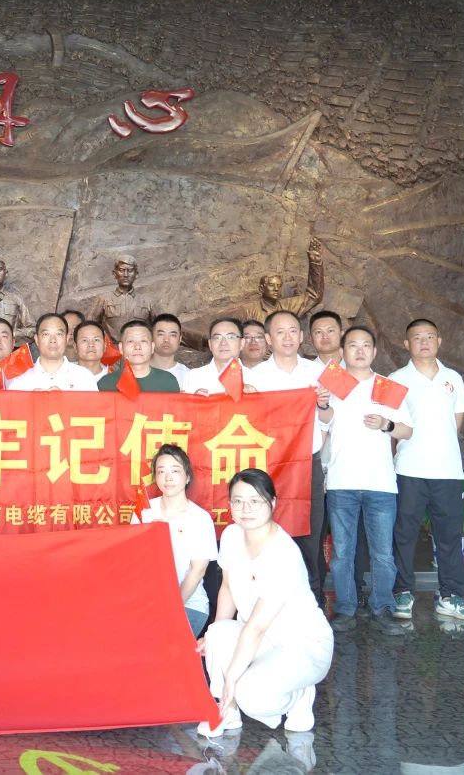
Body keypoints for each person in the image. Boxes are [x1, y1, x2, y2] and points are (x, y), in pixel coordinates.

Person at [198, 468, 333, 738]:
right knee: (216, 633)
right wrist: (215, 639)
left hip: (302, 646)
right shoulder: (232, 536)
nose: (245, 509)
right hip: (260, 640)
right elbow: (227, 588)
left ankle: (298, 696)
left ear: (272, 502)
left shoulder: (283, 554)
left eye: (255, 501)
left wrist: (231, 678)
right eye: (238, 501)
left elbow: (257, 627)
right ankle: (226, 710)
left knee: (251, 696)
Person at [323, 326, 413, 635]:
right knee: (342, 553)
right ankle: (345, 608)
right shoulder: (332, 384)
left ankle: (383, 607)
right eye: (352, 345)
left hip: (380, 483)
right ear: (342, 352)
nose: (359, 351)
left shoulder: (387, 386)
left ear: (374, 352)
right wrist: (322, 405)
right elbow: (324, 420)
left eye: (365, 345)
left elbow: (407, 430)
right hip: (341, 481)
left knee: (383, 554)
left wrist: (387, 424)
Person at [390, 319, 464, 622]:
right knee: (404, 534)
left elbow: (457, 420)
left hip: (448, 471)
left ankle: (451, 596)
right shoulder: (396, 379)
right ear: (407, 344)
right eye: (417, 337)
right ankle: (403, 592)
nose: (424, 341)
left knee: (449, 536)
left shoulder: (452, 377)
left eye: (430, 336)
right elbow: (392, 425)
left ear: (439, 341)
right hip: (409, 469)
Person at [252, 310, 330, 605]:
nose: (287, 337)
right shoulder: (254, 376)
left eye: (293, 331)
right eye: (280, 332)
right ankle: (267, 601)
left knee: (310, 532)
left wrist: (323, 405)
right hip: (268, 466)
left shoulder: (317, 373)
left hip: (307, 463)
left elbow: (329, 419)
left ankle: (312, 600)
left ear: (301, 336)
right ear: (268, 338)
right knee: (267, 529)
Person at [131, 444, 216, 634]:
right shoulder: (144, 512)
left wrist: (171, 608)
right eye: (161, 471)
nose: (168, 477)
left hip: (188, 605)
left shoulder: (200, 518)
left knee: (160, 641)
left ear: (187, 477)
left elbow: (197, 570)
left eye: (175, 471)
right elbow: (134, 560)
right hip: (148, 604)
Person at [8, 313, 99, 391]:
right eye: (46, 334)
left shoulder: (85, 378)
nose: (53, 340)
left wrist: (66, 400)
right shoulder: (20, 382)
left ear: (67, 338)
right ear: (37, 340)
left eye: (59, 334)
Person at [183, 317, 259, 396]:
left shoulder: (256, 379)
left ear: (242, 343)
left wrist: (255, 398)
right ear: (210, 344)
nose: (223, 343)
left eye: (230, 337)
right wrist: (194, 401)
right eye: (217, 338)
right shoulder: (192, 377)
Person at [98, 320, 180, 393]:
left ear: (152, 347)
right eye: (130, 341)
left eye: (143, 341)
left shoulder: (168, 381)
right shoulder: (106, 383)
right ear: (121, 348)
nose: (137, 347)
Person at [89, 255, 154, 338]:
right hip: (112, 345)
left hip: (138, 345)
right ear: (114, 273)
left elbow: (160, 326)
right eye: (121, 270)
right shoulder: (103, 300)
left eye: (130, 270)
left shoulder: (147, 301)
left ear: (136, 274)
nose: (125, 275)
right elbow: (89, 327)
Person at [151, 314, 190, 388]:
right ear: (151, 337)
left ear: (180, 339)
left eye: (172, 335)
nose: (166, 339)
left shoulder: (188, 376)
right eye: (161, 334)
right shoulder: (136, 372)